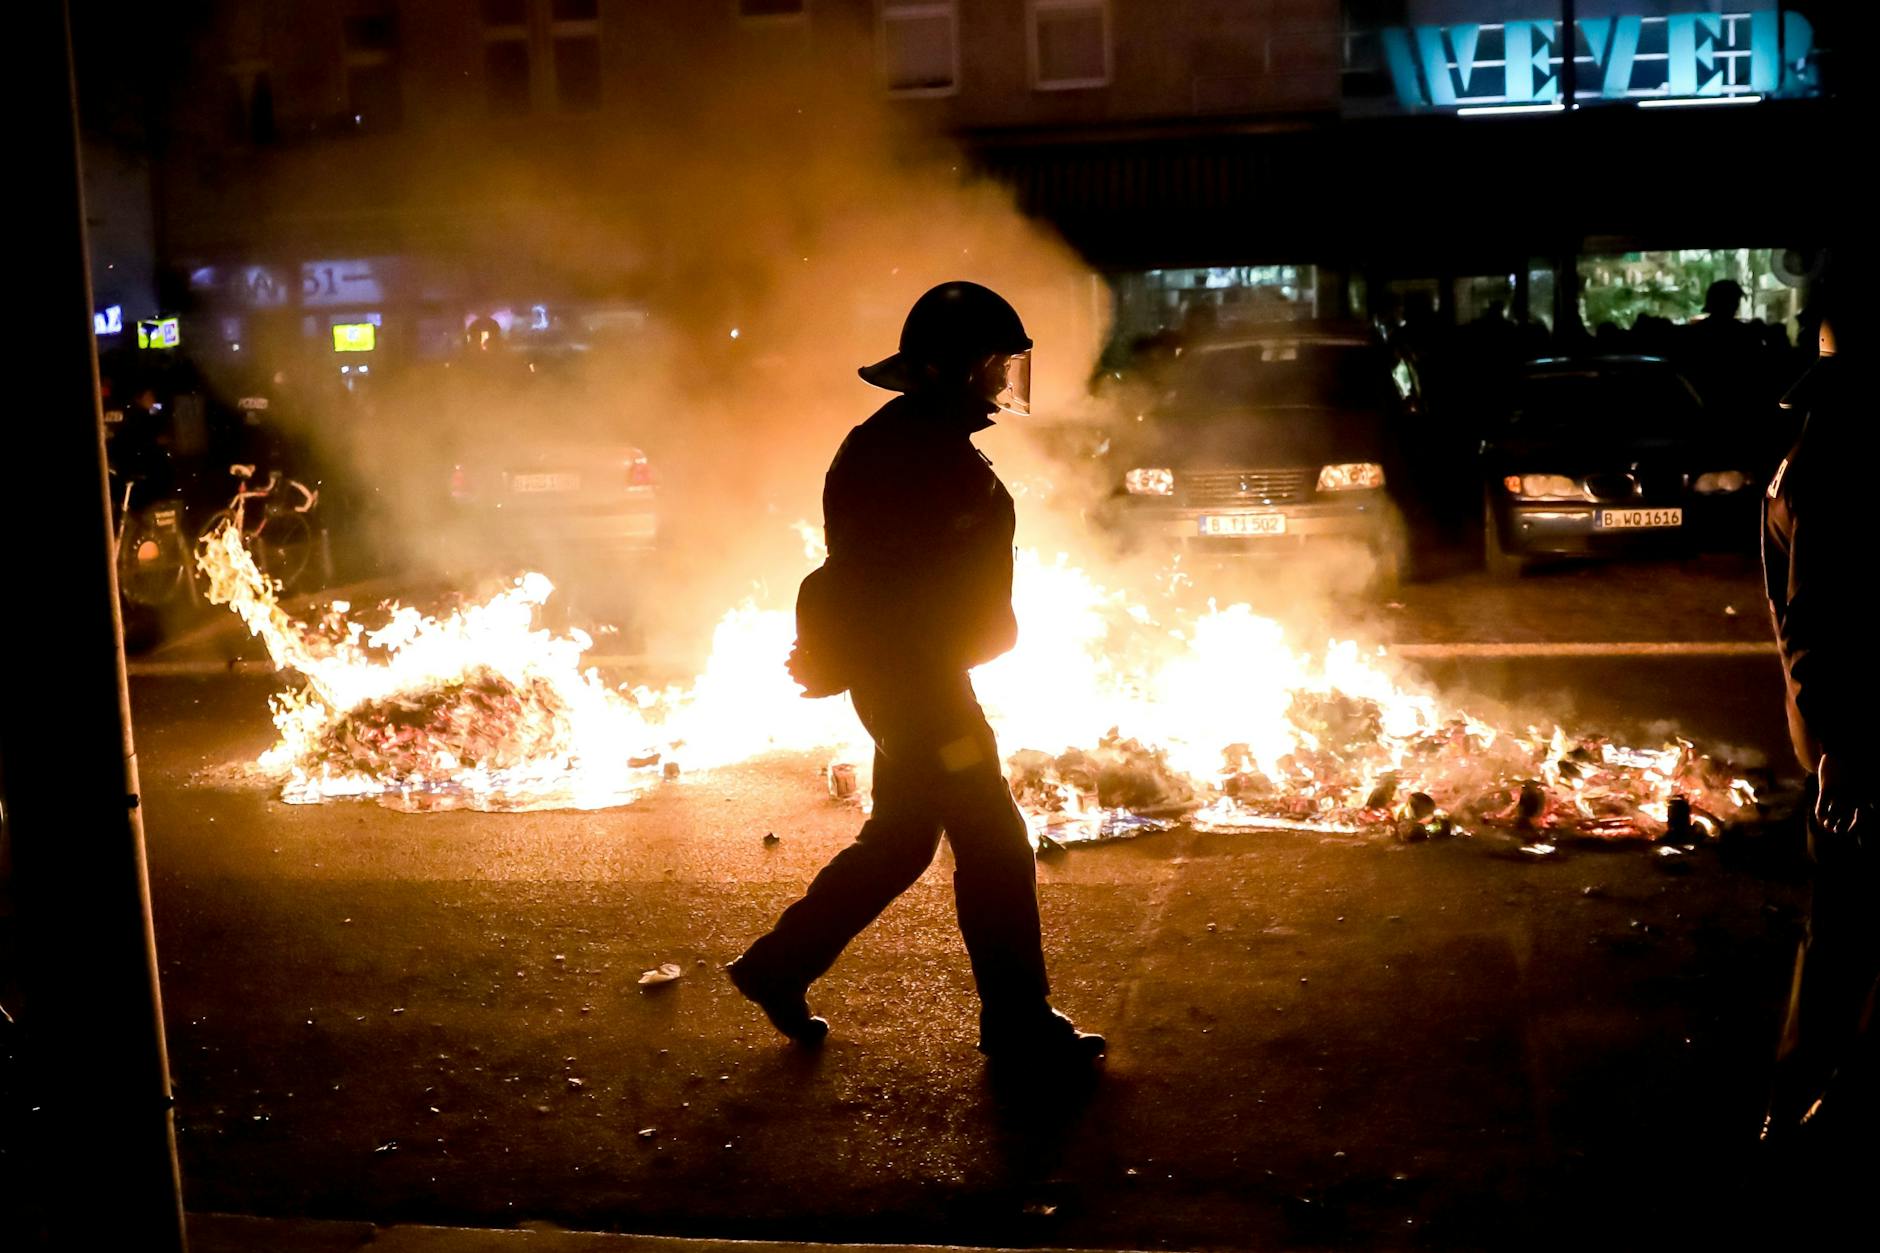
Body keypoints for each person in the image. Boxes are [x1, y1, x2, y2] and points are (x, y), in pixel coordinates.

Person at [727, 281, 1105, 1066]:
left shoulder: (921, 441)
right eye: (993, 363)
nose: (1002, 380)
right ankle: (1019, 1023)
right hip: (918, 688)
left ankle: (778, 966)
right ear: (950, 368)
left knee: (901, 840)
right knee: (996, 843)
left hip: (914, 680)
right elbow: (872, 581)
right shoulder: (904, 452)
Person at [1759, 273, 1878, 1149]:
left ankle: (1803, 1102)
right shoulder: (1831, 473)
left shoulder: (1806, 462)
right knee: (1849, 929)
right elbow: (1814, 623)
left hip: (1843, 738)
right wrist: (1842, 750)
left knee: (1840, 929)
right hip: (1861, 744)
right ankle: (1811, 1112)